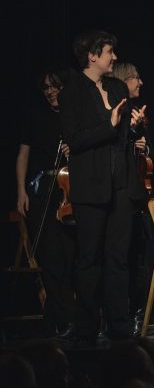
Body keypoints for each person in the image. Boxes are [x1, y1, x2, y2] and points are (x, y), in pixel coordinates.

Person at [59, 31, 148, 342]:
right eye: (109, 52)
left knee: (118, 257)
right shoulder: (71, 92)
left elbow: (121, 136)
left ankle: (118, 324)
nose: (114, 57)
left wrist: (130, 127)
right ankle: (85, 326)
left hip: (121, 185)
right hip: (90, 186)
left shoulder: (117, 86)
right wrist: (107, 126)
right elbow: (75, 139)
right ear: (92, 56)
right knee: (89, 258)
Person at [15, 68, 76, 337]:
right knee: (49, 256)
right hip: (42, 190)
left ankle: (63, 317)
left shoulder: (74, 116)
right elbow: (23, 155)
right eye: (46, 88)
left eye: (55, 86)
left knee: (69, 256)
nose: (51, 92)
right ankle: (62, 319)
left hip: (69, 191)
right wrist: (21, 192)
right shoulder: (35, 118)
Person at [108, 61, 154, 336]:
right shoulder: (117, 113)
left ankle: (138, 308)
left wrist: (141, 142)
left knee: (139, 253)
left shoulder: (137, 113)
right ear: (124, 81)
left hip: (138, 192)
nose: (141, 83)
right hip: (122, 190)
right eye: (136, 78)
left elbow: (147, 151)